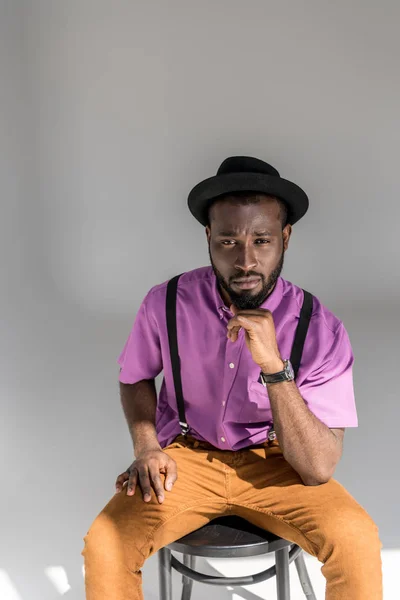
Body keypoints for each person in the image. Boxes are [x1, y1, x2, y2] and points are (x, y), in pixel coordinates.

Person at [81, 156, 383, 599]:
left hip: (277, 463)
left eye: (261, 240)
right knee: (105, 544)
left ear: (285, 237)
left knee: (356, 540)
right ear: (208, 238)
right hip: (186, 459)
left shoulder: (319, 327)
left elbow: (318, 467)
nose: (245, 261)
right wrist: (146, 448)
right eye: (228, 241)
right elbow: (135, 377)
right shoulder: (166, 302)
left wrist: (275, 367)